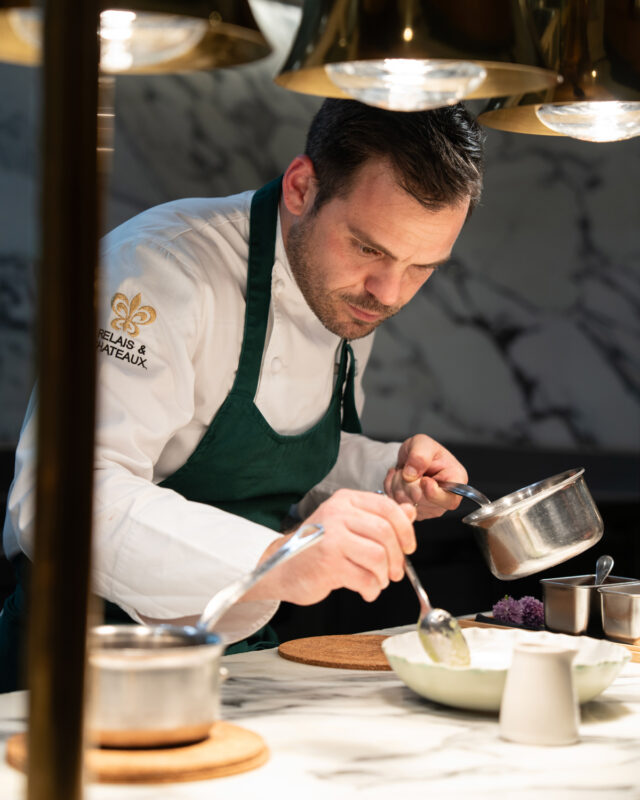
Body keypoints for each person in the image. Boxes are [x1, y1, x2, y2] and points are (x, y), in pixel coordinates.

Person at [1, 99, 484, 692]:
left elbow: (275, 456)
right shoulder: (158, 266)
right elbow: (60, 501)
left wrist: (387, 472)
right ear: (302, 187)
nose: (389, 294)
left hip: (239, 658)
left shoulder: (350, 297)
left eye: (422, 267)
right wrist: (279, 560)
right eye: (369, 248)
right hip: (80, 664)